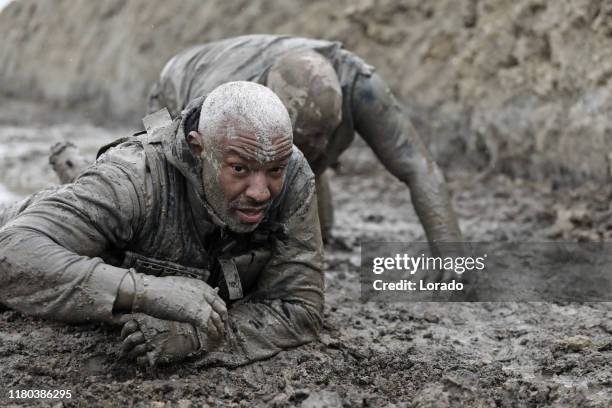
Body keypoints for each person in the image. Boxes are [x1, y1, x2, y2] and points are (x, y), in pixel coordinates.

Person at [0, 82, 324, 367]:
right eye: (239, 169)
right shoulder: (132, 179)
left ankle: (74, 169)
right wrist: (148, 293)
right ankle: (72, 168)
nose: (260, 192)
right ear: (199, 149)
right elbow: (12, 255)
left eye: (274, 171)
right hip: (36, 218)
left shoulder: (290, 170)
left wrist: (198, 337)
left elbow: (300, 308)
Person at [148, 34, 463, 249]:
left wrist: (453, 257)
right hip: (175, 80)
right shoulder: (225, 99)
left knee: (302, 164)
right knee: (164, 170)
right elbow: (197, 170)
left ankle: (323, 234)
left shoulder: (361, 86)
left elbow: (417, 166)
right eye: (308, 136)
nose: (324, 146)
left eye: (327, 133)